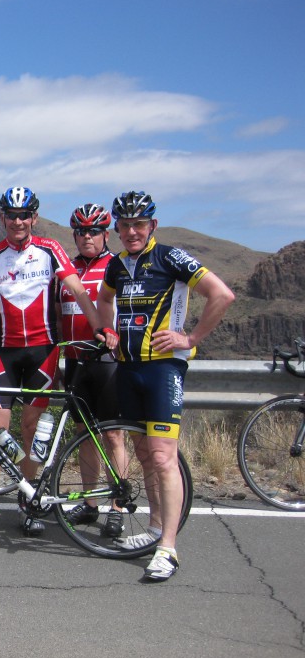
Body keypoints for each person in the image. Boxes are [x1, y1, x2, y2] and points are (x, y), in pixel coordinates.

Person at [0, 186, 116, 538]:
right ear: (2, 219)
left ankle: (29, 502)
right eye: (11, 215)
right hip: (6, 354)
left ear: (34, 217)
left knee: (31, 430)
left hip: (43, 352)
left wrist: (101, 328)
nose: (17, 221)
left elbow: (77, 291)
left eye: (24, 214)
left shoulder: (50, 249)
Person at [97, 191, 234, 582]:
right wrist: (107, 329)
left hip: (162, 371)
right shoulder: (117, 265)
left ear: (152, 225)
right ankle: (155, 528)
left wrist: (190, 339)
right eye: (124, 225)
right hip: (128, 368)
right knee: (143, 453)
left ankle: (167, 549)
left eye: (139, 224)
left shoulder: (170, 257)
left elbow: (221, 295)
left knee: (161, 457)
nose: (131, 231)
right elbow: (105, 301)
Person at [57, 204, 127, 536]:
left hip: (107, 363)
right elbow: (59, 315)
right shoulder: (66, 269)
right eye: (82, 231)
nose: (88, 237)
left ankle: (118, 504)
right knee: (84, 435)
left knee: (112, 434)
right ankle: (89, 503)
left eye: (94, 231)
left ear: (106, 234)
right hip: (74, 362)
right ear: (74, 235)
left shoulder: (117, 266)